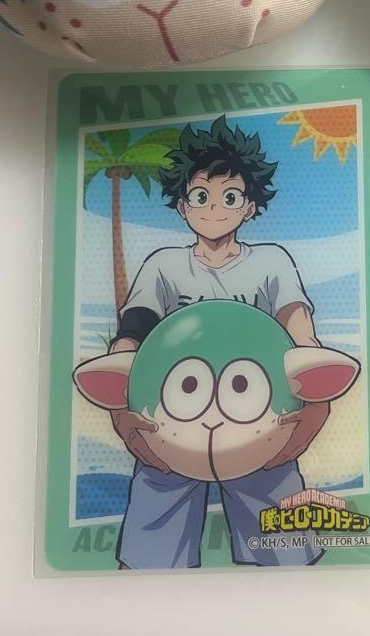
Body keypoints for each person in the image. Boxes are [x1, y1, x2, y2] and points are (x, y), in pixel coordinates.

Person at [106, 115, 327, 568]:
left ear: (249, 207)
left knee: (285, 555)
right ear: (182, 206)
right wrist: (118, 408)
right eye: (200, 196)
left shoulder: (271, 263)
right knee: (151, 554)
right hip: (170, 425)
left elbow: (300, 331)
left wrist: (315, 403)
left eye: (230, 197)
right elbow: (131, 337)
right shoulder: (164, 267)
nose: (214, 209)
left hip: (261, 422)